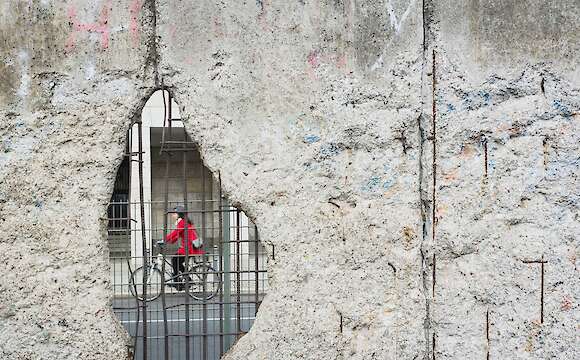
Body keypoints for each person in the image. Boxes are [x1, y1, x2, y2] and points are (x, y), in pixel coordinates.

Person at [165, 205, 204, 286]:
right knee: (177, 262)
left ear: (179, 214)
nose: (172, 215)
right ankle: (188, 281)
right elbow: (177, 235)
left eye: (174, 213)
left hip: (189, 248)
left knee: (175, 261)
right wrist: (169, 241)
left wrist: (165, 239)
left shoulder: (182, 222)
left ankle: (177, 281)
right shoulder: (183, 222)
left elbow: (175, 233)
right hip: (188, 247)